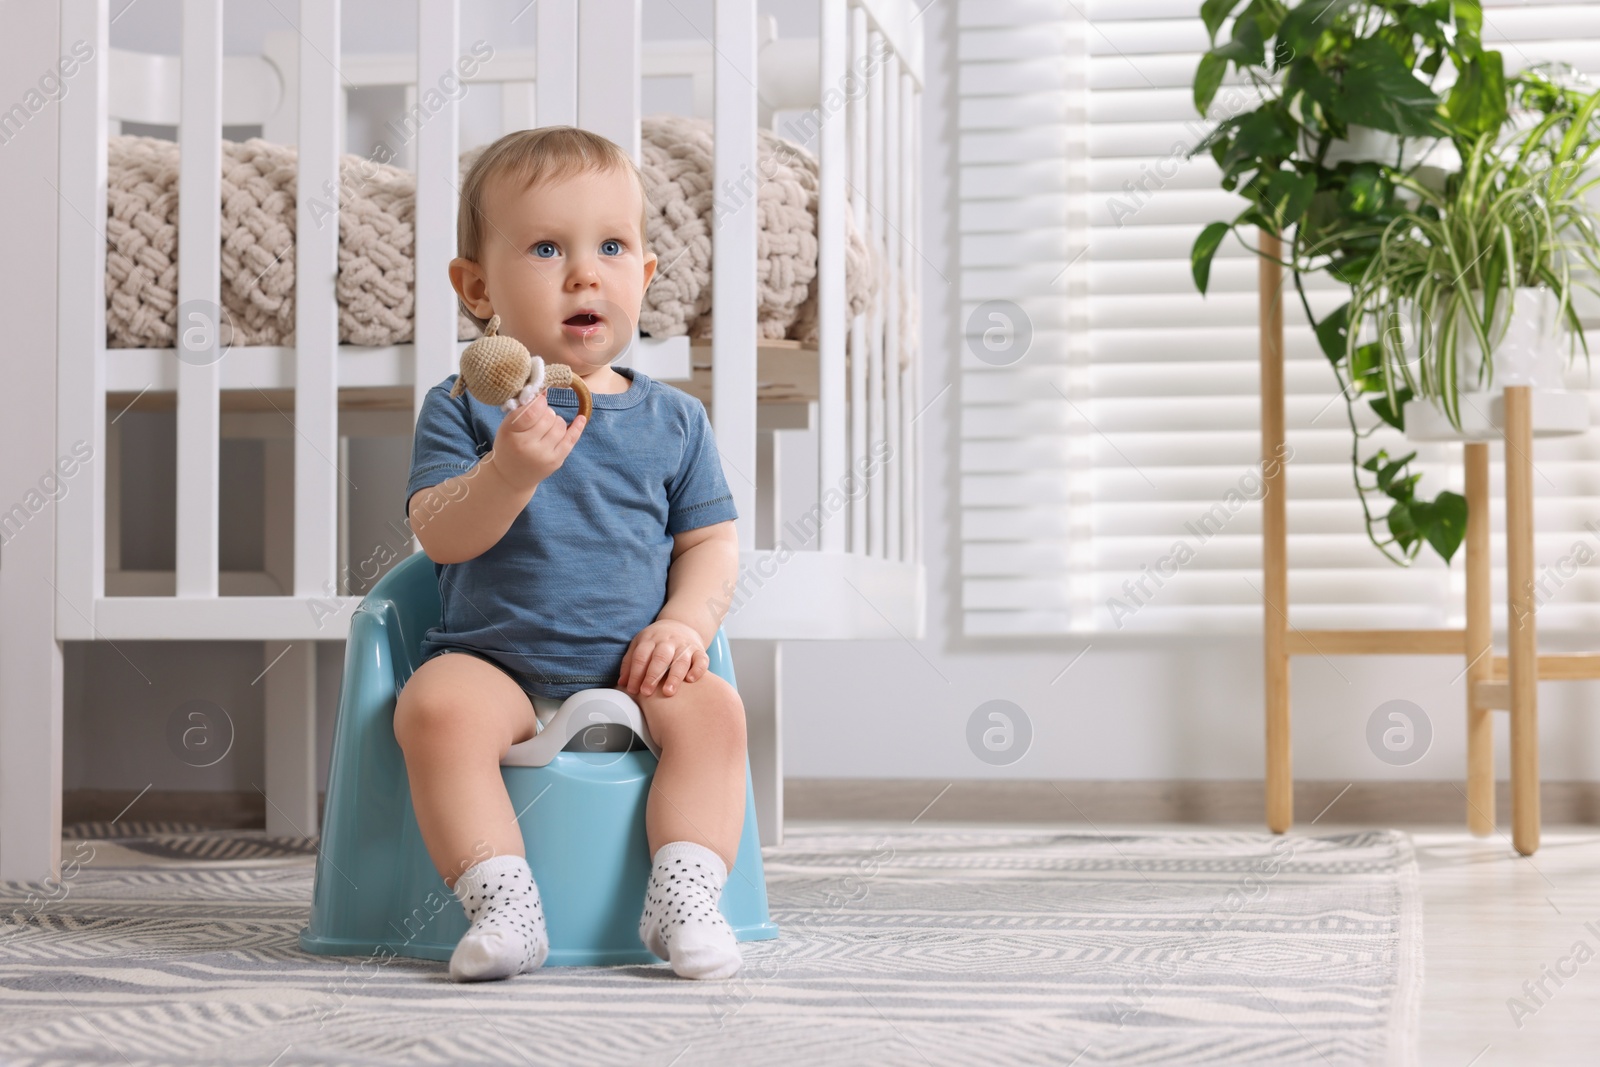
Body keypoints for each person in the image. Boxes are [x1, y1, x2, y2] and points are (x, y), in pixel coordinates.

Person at [398, 126, 746, 982]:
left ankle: (687, 894)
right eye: (547, 247)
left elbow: (711, 543)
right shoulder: (462, 408)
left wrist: (683, 622)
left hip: (637, 664)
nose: (585, 272)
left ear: (645, 278)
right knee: (433, 709)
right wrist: (509, 470)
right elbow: (438, 533)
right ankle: (503, 901)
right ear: (477, 288)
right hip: (498, 664)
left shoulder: (675, 421)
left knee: (719, 714)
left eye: (613, 247)